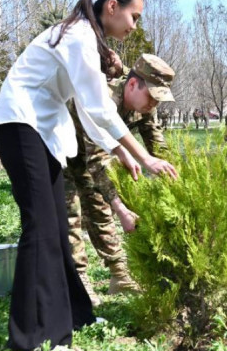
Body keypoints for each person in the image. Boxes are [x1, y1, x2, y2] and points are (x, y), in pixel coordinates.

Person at [0, 0, 178, 351]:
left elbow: (89, 113)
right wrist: (142, 155)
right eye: (133, 17)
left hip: (41, 130)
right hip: (20, 127)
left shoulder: (85, 37)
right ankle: (27, 340)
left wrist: (121, 151)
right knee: (39, 231)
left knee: (56, 229)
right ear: (112, 7)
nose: (134, 26)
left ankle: (76, 316)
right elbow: (98, 107)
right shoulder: (77, 36)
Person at [65, 54, 175, 306]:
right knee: (70, 213)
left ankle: (119, 275)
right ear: (133, 85)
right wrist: (121, 208)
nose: (154, 104)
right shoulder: (101, 100)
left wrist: (175, 177)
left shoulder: (144, 105)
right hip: (60, 151)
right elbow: (97, 161)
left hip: (90, 154)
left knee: (98, 205)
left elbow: (156, 145)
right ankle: (79, 280)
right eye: (152, 96)